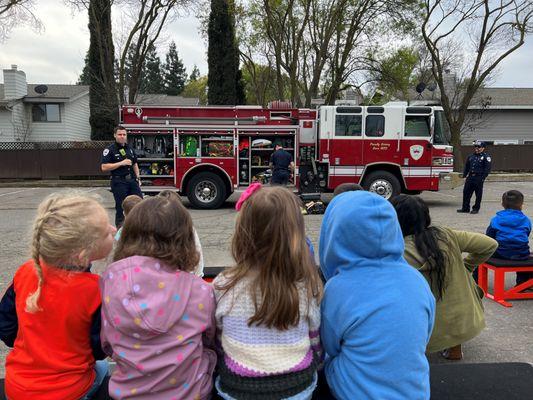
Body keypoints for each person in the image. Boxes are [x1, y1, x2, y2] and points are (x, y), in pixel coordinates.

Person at [319, 191, 435, 400]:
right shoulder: (416, 279)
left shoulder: (337, 288)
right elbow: (424, 335)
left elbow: (330, 346)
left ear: (334, 233)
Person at [0, 192, 116, 400]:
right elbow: (99, 349)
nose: (114, 230)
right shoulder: (95, 290)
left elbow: (6, 329)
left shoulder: (25, 272)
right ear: (83, 253)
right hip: (68, 391)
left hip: (16, 387)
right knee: (103, 367)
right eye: (105, 232)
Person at [100, 196, 216, 400]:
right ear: (185, 239)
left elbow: (107, 345)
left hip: (126, 394)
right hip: (189, 393)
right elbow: (210, 339)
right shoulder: (200, 290)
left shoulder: (110, 283)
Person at [214, 185, 323, 400]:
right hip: (297, 388)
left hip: (237, 388)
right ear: (295, 233)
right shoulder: (307, 285)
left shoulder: (223, 285)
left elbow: (220, 342)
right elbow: (315, 344)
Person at [391, 194, 497, 361]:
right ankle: (455, 347)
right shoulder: (445, 235)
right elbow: (490, 245)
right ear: (426, 216)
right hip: (467, 321)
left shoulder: (395, 249)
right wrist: (467, 266)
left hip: (424, 331)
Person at [486, 190, 533, 287]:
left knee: (479, 253)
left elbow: (489, 237)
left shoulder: (496, 219)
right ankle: (523, 283)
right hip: (521, 254)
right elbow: (526, 234)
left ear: (502, 204)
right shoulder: (526, 220)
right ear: (521, 204)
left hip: (501, 253)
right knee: (523, 251)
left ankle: (475, 280)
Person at [101, 126, 143, 227]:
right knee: (121, 208)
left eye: (124, 134)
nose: (122, 136)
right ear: (115, 135)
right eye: (120, 134)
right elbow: (104, 167)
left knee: (140, 204)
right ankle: (121, 233)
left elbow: (135, 164)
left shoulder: (130, 149)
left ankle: (138, 228)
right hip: (119, 182)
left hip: (132, 181)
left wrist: (138, 178)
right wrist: (121, 163)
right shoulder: (109, 150)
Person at [157, 189, 205, 277]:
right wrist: (198, 277)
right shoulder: (188, 228)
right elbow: (197, 252)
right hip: (185, 279)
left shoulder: (153, 228)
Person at [457, 141, 492, 214]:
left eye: (479, 147)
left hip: (478, 177)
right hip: (470, 177)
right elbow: (467, 166)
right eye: (475, 147)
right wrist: (464, 175)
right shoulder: (471, 156)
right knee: (466, 192)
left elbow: (487, 169)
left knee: (478, 194)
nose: (477, 148)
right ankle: (465, 208)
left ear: (483, 148)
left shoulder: (486, 157)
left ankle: (476, 208)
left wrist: (483, 178)